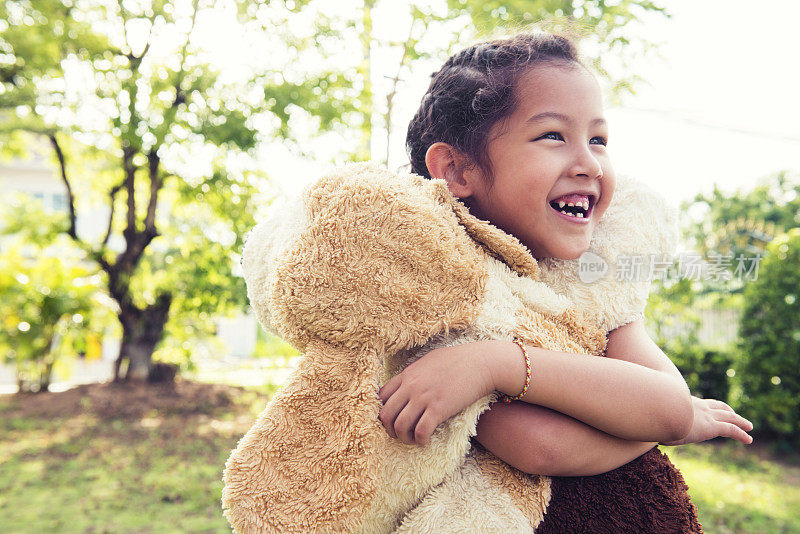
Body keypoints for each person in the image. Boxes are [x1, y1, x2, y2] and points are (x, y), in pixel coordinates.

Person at [377, 31, 753, 478]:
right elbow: (542, 446)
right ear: (457, 170)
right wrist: (644, 419)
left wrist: (496, 365)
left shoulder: (592, 278)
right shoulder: (431, 285)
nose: (591, 164)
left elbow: (669, 407)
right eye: (553, 135)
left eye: (598, 139)